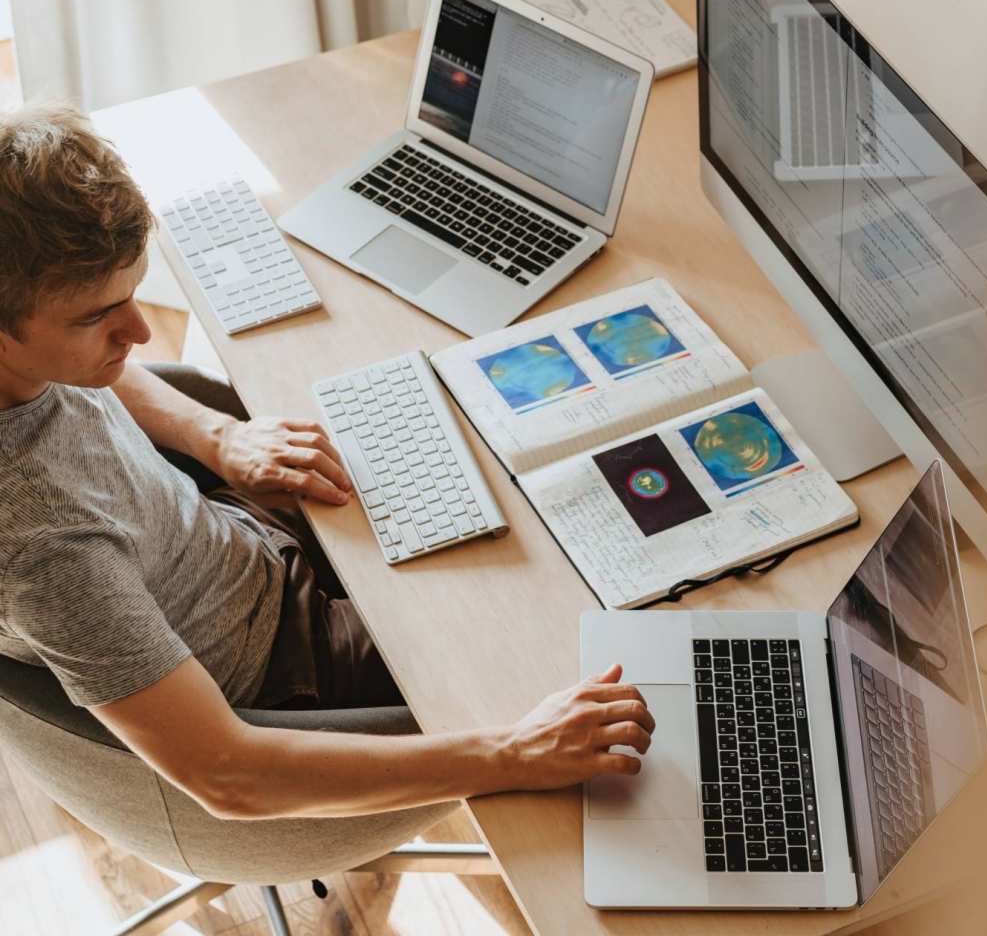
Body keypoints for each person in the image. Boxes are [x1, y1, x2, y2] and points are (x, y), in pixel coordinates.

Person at [0, 103, 654, 821]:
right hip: (287, 674)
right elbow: (229, 776)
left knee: (502, 487)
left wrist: (216, 436)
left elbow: (93, 368)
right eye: (99, 317)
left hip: (234, 544)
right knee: (596, 658)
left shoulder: (34, 353)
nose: (142, 331)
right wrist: (514, 755)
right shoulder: (46, 551)